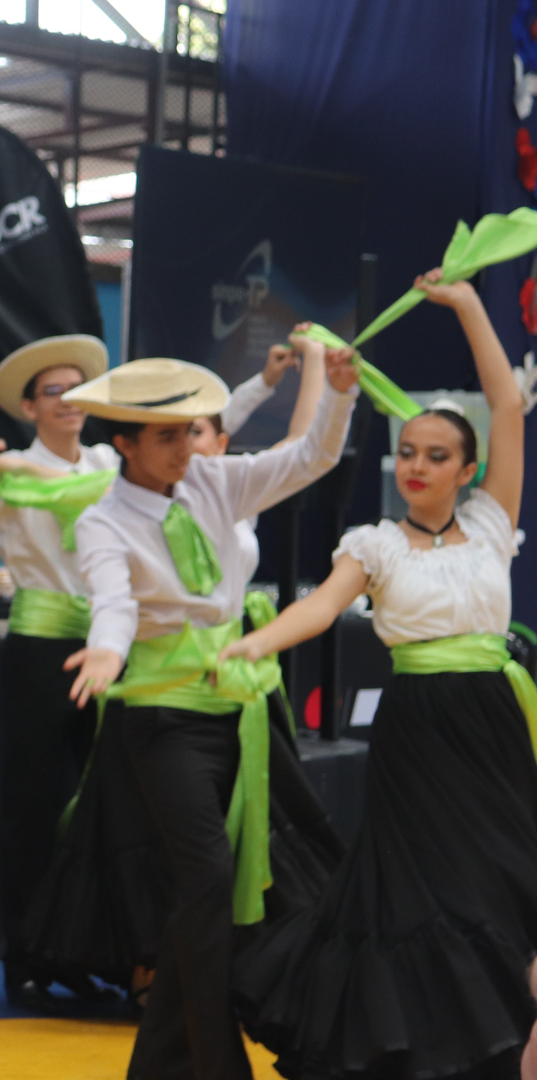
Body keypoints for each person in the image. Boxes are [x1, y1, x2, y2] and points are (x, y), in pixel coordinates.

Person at [229, 271, 537, 1080]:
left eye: (437, 456)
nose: (417, 466)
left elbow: (506, 405)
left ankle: (495, 1041)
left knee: (503, 878)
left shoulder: (490, 521)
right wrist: (256, 646)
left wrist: (469, 306)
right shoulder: (374, 544)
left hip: (493, 724)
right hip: (419, 729)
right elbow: (319, 610)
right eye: (407, 453)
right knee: (423, 887)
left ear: (466, 469)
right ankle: (423, 1047)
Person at [61, 349, 360, 1079]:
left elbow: (308, 458)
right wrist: (106, 650)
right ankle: (219, 1064)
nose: (186, 447)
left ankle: (162, 1063)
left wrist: (341, 397)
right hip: (162, 720)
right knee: (204, 877)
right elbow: (114, 600)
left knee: (215, 889)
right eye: (166, 436)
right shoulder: (103, 521)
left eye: (191, 431)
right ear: (124, 444)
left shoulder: (215, 479)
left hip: (241, 711)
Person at [0, 335, 118, 1009]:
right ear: (29, 406)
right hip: (42, 644)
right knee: (34, 806)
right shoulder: (9, 467)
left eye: (78, 391)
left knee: (102, 801)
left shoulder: (107, 462)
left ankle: (84, 950)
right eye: (55, 392)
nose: (70, 402)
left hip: (107, 640)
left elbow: (102, 491)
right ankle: (26, 959)